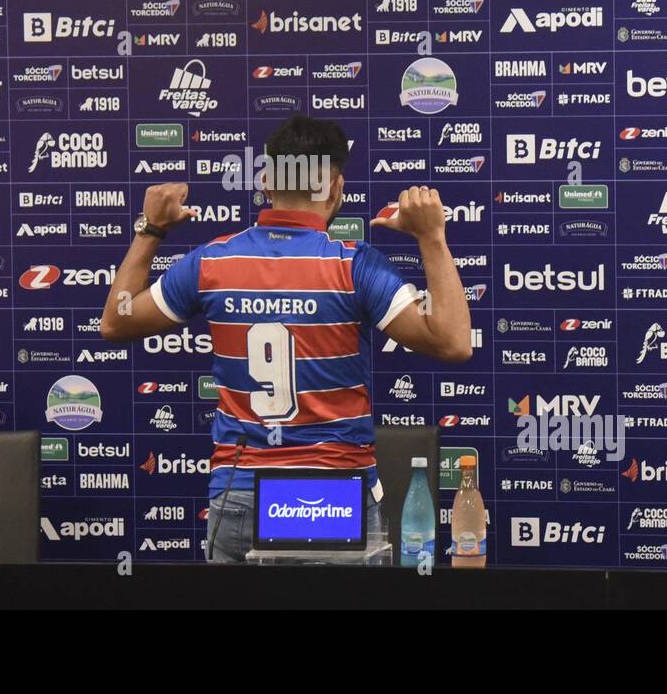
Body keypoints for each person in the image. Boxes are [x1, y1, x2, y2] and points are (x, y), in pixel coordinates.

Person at [99, 114, 472, 562]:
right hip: (330, 496)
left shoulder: (213, 262)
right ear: (334, 187)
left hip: (241, 497)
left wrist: (150, 229)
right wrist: (431, 236)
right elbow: (454, 342)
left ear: (266, 183)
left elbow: (116, 321)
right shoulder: (353, 267)